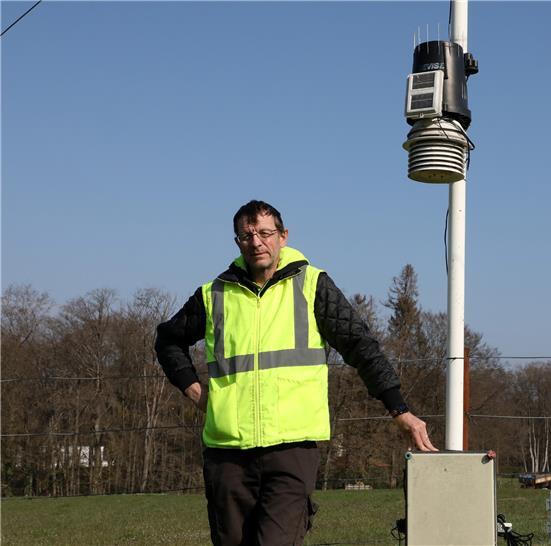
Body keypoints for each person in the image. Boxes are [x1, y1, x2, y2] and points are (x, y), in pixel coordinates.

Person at [155, 200, 436, 546]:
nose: (256, 242)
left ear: (283, 236)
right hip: (227, 454)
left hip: (291, 452)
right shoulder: (214, 294)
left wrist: (399, 409)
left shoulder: (313, 285)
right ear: (237, 243)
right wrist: (194, 391)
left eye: (264, 233)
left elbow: (361, 347)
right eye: (246, 235)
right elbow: (167, 340)